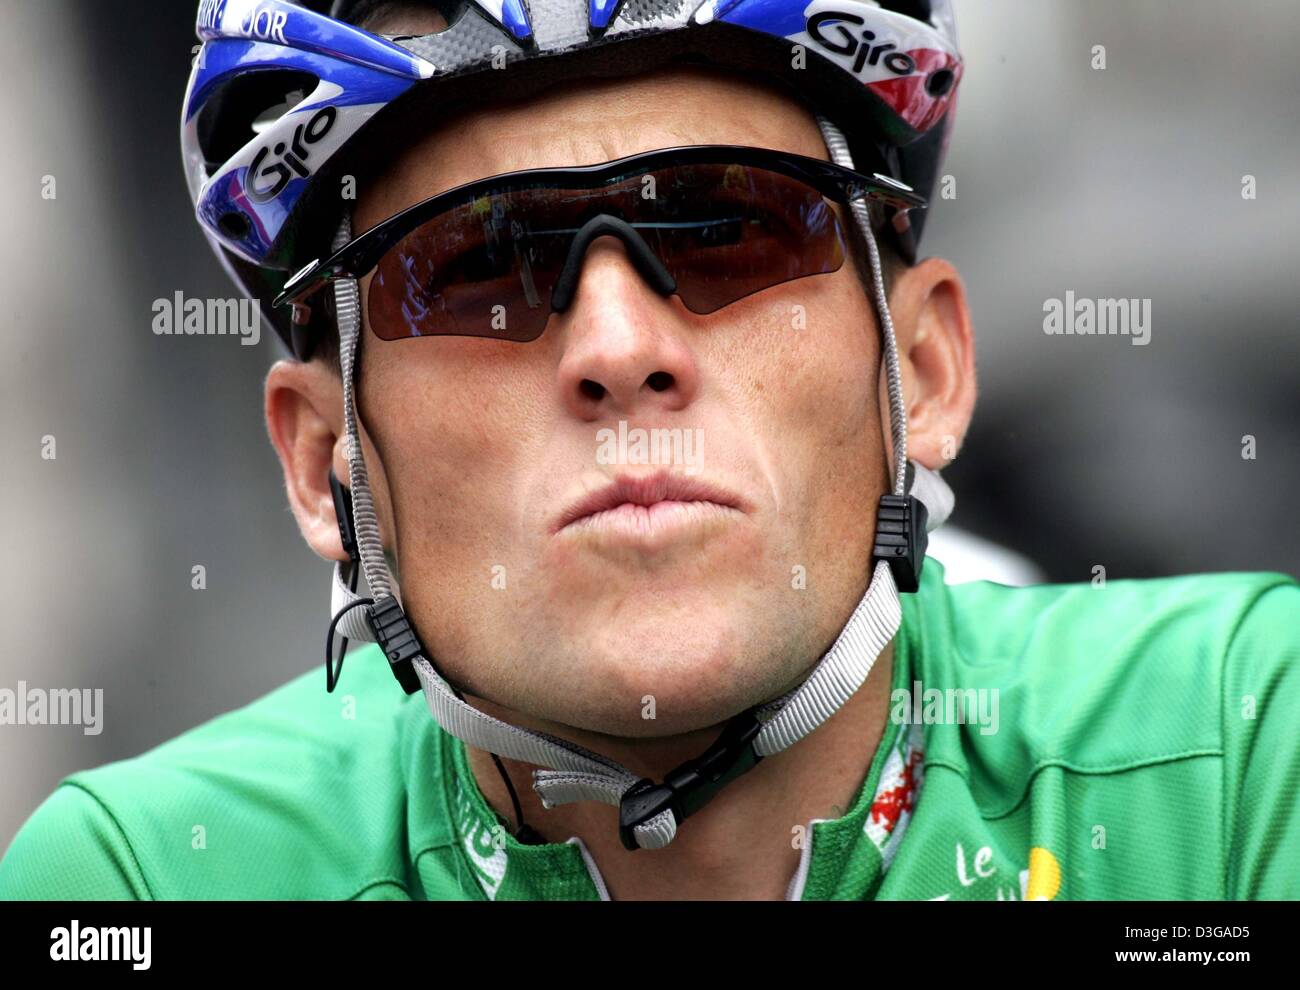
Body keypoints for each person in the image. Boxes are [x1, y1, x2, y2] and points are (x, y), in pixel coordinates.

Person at [2, 0, 1297, 901]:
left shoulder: (1244, 747)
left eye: (731, 228)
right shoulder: (153, 875)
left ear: (925, 370)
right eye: (480, 268)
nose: (618, 347)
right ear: (325, 462)